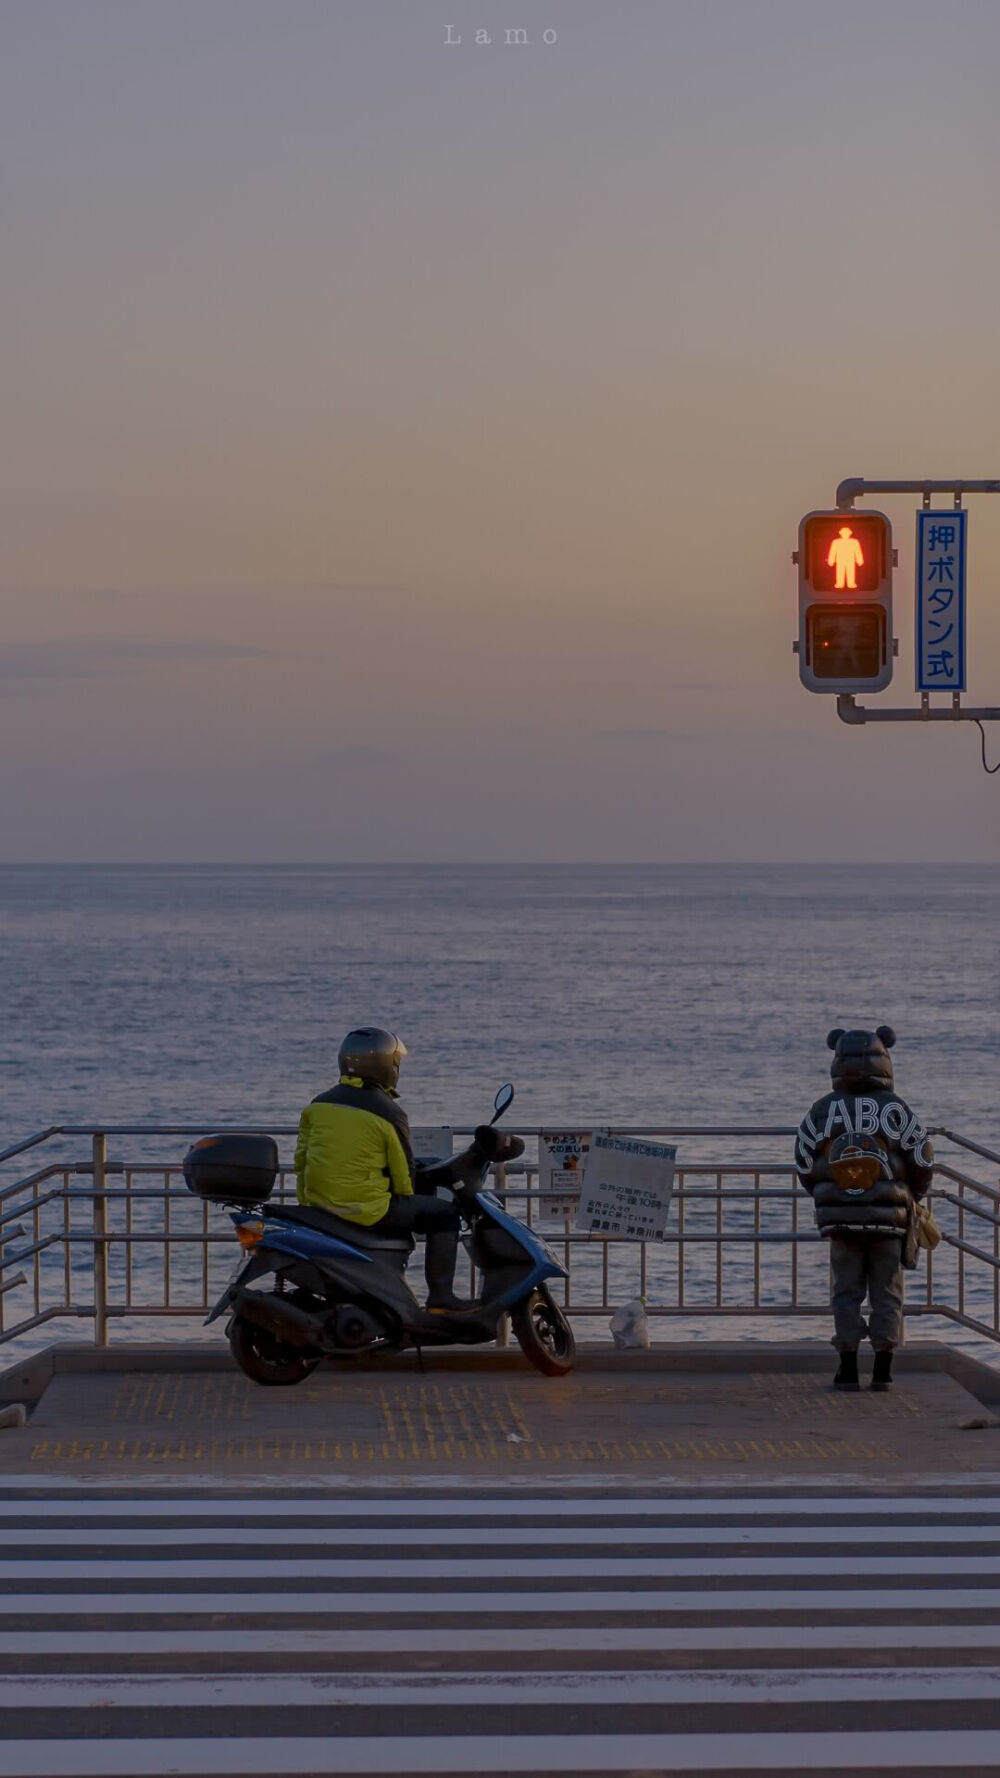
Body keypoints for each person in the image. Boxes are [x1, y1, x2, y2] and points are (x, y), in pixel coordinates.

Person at [293, 1026, 476, 1312]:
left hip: (321, 1207)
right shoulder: (388, 1112)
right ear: (385, 1066)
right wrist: (407, 1200)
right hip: (368, 1209)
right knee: (445, 1215)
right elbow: (403, 1175)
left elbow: (301, 1161)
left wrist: (308, 1203)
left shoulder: (318, 1104)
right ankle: (441, 1297)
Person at [795, 1025, 934, 1392]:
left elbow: (803, 1162)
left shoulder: (823, 1110)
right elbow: (922, 1157)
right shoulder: (896, 1109)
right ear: (884, 1057)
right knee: (886, 1292)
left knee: (846, 1291)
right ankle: (884, 1370)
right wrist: (913, 1196)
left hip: (840, 1220)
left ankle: (847, 1369)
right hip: (889, 1221)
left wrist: (827, 1195)